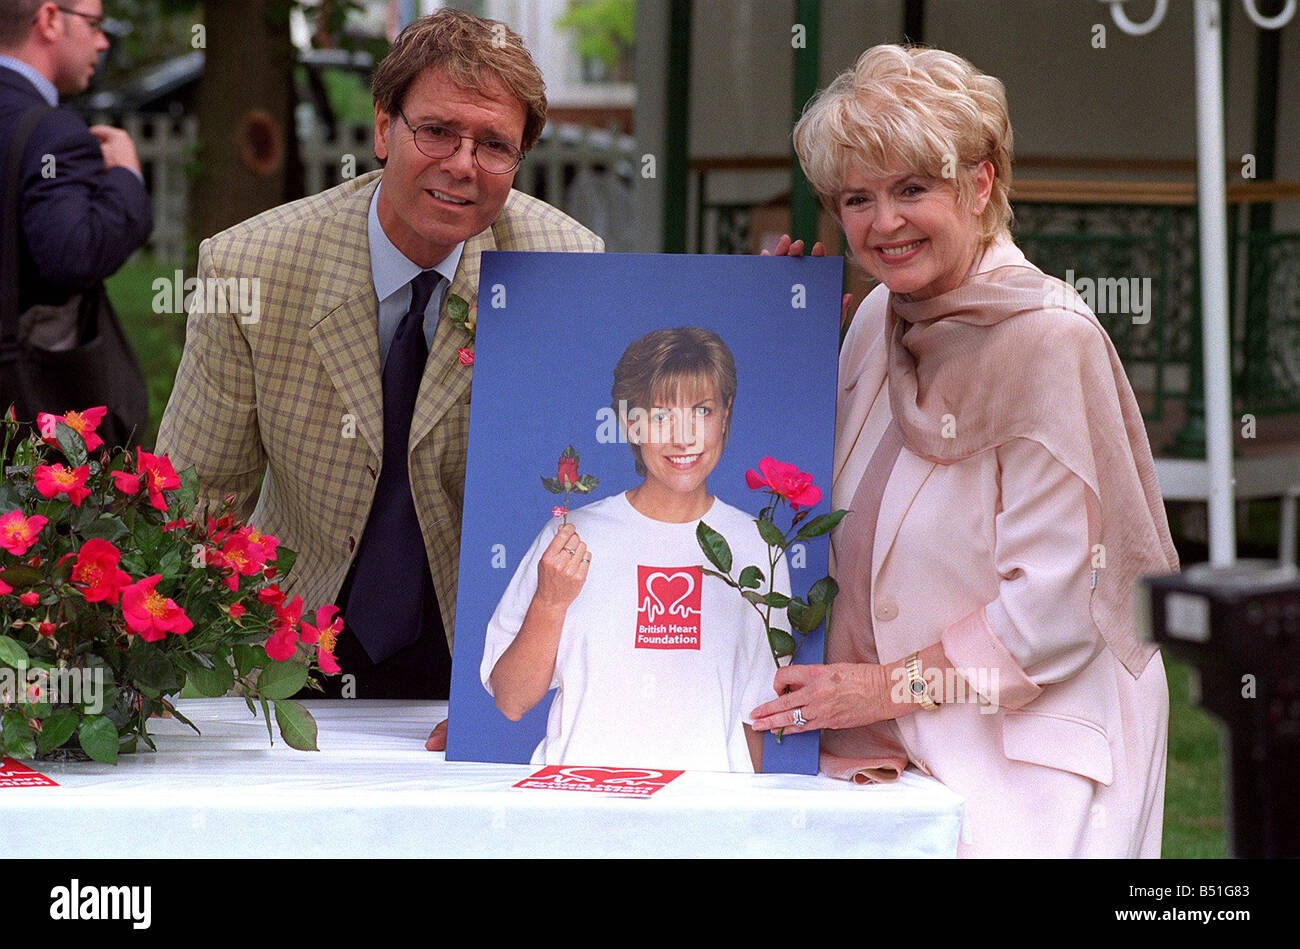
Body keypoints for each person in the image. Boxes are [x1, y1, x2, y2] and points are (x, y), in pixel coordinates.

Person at [755, 45, 1178, 856]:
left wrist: (882, 688)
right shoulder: (880, 315)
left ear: (981, 185)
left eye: (914, 188)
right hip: (893, 759)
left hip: (1030, 774)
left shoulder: (1050, 340)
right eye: (858, 197)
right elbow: (822, 512)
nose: (884, 222)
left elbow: (1049, 613)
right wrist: (772, 338)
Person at [156, 10, 603, 716]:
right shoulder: (252, 269)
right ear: (385, 128)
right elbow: (196, 497)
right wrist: (159, 669)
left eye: (493, 145)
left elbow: (593, 485)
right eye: (437, 131)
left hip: (485, 653)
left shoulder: (566, 266)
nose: (462, 163)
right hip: (292, 649)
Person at [480, 327, 784, 773]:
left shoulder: (760, 547)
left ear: (726, 414)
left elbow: (756, 717)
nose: (684, 439)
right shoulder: (569, 537)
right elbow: (511, 699)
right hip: (579, 810)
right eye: (661, 416)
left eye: (701, 411)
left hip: (706, 824)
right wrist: (550, 601)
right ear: (630, 422)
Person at [0, 0, 152, 428]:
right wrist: (125, 178)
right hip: (20, 409)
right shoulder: (52, 132)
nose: (103, 41)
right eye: (94, 23)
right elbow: (73, 255)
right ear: (49, 19)